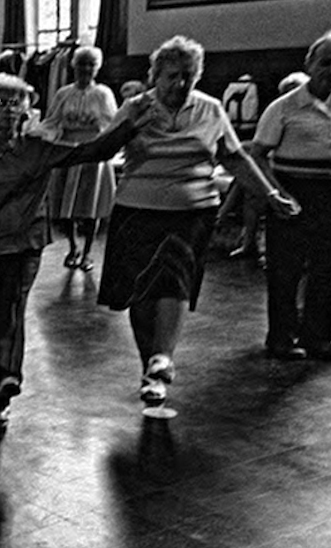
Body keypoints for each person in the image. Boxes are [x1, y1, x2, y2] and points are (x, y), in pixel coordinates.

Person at [0, 75, 159, 424]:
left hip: (25, 244)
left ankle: (7, 379)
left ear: (27, 110)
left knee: (14, 307)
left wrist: (129, 126)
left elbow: (93, 151)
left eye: (16, 102)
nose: (9, 110)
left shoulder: (38, 150)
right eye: (0, 103)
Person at [97, 35, 299, 406]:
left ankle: (163, 356)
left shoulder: (209, 109)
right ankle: (151, 370)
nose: (180, 84)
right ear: (155, 75)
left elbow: (235, 158)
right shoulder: (134, 106)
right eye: (172, 76)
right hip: (137, 209)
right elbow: (104, 150)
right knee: (140, 293)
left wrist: (269, 194)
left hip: (191, 211)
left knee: (175, 281)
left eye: (188, 76)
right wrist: (130, 129)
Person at [250, 31, 331, 362]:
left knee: (327, 270)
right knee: (285, 271)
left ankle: (319, 338)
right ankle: (281, 338)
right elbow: (257, 155)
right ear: (310, 63)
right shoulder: (283, 107)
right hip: (292, 195)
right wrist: (276, 194)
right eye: (326, 62)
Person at [39, 46, 120, 272]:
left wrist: (102, 141)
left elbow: (112, 124)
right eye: (81, 64)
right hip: (67, 151)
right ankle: (73, 247)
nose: (85, 69)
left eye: (90, 65)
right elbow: (51, 120)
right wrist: (41, 138)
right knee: (66, 207)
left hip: (93, 153)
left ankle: (87, 253)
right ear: (73, 66)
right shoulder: (63, 93)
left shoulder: (103, 94)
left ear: (97, 68)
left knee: (89, 206)